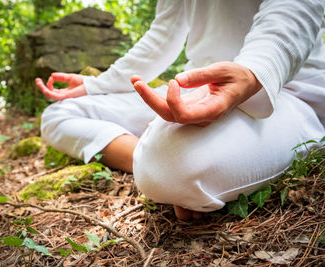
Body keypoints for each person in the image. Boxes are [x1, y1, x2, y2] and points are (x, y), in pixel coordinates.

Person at [36, 0, 325, 220]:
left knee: (169, 169)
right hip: (196, 88)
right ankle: (148, 159)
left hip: (283, 90)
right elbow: (163, 34)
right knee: (59, 113)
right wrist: (95, 84)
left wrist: (252, 73)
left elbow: (296, 7)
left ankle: (166, 164)